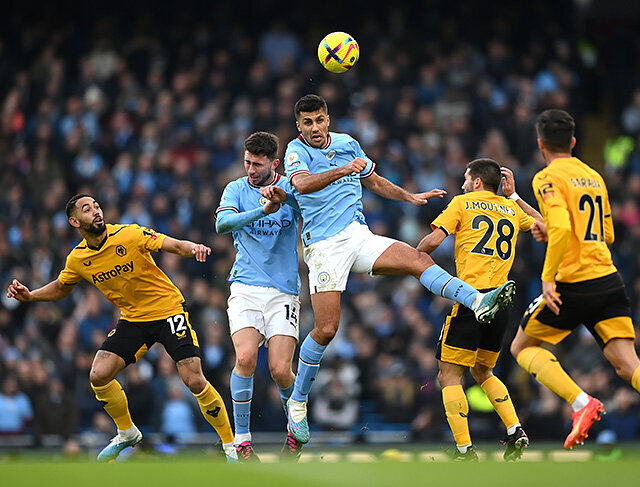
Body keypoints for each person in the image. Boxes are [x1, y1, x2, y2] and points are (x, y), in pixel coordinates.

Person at [263, 94, 516, 444]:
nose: (315, 128)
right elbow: (302, 184)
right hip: (323, 247)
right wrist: (342, 170)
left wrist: (408, 196)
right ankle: (299, 404)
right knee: (326, 329)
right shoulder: (296, 150)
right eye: (308, 122)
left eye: (320, 120)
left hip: (358, 235)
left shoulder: (349, 143)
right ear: (299, 126)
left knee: (418, 259)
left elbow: (375, 180)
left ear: (328, 118)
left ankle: (478, 301)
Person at [509, 109, 640, 459]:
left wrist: (548, 276)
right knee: (628, 364)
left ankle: (581, 402)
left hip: (573, 282)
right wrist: (545, 225)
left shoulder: (547, 177)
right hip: (608, 280)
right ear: (572, 141)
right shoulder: (593, 176)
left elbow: (563, 228)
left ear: (541, 144)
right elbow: (605, 232)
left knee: (522, 348)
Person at [6, 194, 237, 462]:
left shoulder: (129, 234)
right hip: (133, 319)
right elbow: (61, 286)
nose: (96, 211)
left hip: (168, 309)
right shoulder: (78, 259)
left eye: (97, 206)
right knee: (98, 375)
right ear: (74, 221)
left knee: (193, 378)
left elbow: (169, 244)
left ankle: (230, 444)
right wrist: (31, 295)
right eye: (87, 209)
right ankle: (127, 432)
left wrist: (193, 247)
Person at [417, 159, 543, 461]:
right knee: (483, 370)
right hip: (501, 304)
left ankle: (464, 449)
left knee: (448, 376)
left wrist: (411, 257)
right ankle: (515, 430)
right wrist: (514, 196)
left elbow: (433, 241)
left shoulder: (462, 203)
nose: (461, 185)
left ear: (476, 182)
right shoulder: (511, 208)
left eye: (465, 179)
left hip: (472, 299)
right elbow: (543, 226)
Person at [215, 131, 303, 461]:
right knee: (247, 358)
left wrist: (286, 200)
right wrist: (264, 210)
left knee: (281, 370)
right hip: (245, 287)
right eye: (247, 162)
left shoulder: (290, 186)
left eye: (257, 164)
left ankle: (295, 432)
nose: (251, 170)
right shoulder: (236, 189)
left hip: (282, 290)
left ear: (274, 164)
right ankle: (242, 439)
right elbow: (222, 224)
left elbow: (311, 211)